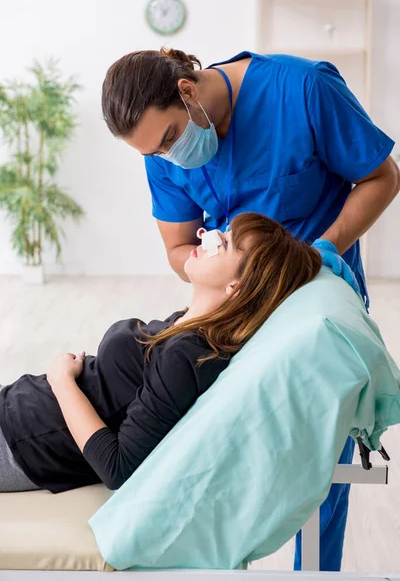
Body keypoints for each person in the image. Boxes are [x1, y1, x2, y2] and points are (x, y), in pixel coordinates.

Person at [100, 48, 399, 571]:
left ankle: (318, 571)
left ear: (187, 91)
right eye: (153, 154)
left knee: (320, 468)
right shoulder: (163, 154)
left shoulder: (302, 90)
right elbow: (177, 248)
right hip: (236, 312)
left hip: (311, 298)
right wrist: (224, 281)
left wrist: (313, 255)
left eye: (169, 138)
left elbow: (382, 178)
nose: (167, 157)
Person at [0, 213, 321, 497]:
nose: (204, 235)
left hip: (21, 441)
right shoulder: (188, 325)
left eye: (222, 243)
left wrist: (62, 381)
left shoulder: (187, 357)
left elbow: (118, 468)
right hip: (18, 409)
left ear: (236, 287)